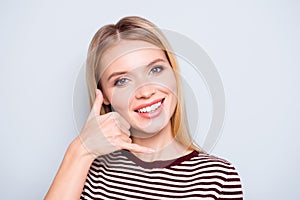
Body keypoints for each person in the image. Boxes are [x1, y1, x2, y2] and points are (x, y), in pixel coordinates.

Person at [45, 16, 243, 199]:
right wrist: (80, 149)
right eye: (122, 80)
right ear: (104, 95)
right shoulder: (88, 170)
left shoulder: (219, 178)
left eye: (155, 69)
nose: (145, 91)